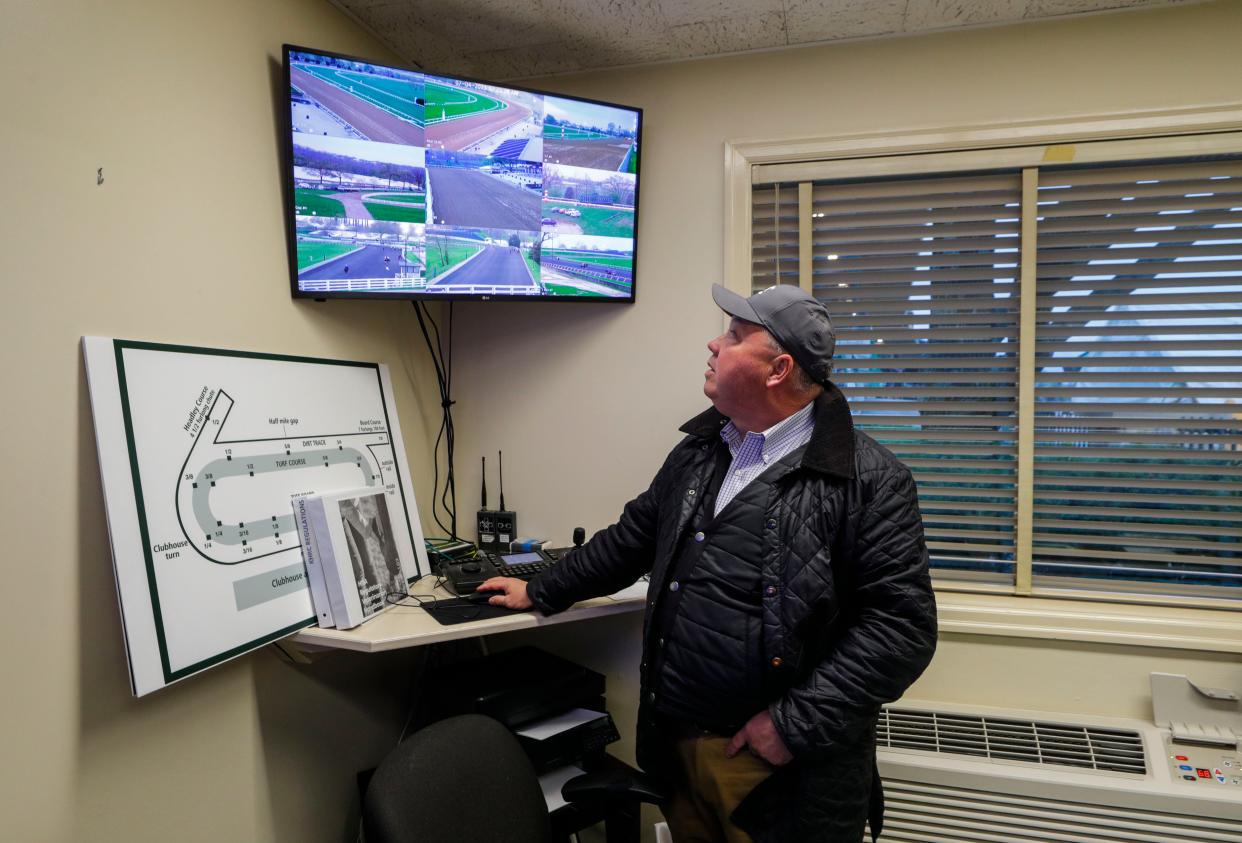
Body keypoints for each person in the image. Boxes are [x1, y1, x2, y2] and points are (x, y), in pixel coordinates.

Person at [479, 283, 938, 842]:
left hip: (775, 767)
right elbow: (633, 537)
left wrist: (790, 727)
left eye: (736, 335)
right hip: (679, 741)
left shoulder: (870, 480)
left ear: (778, 369)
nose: (713, 344)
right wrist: (544, 589)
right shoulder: (702, 450)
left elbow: (900, 630)